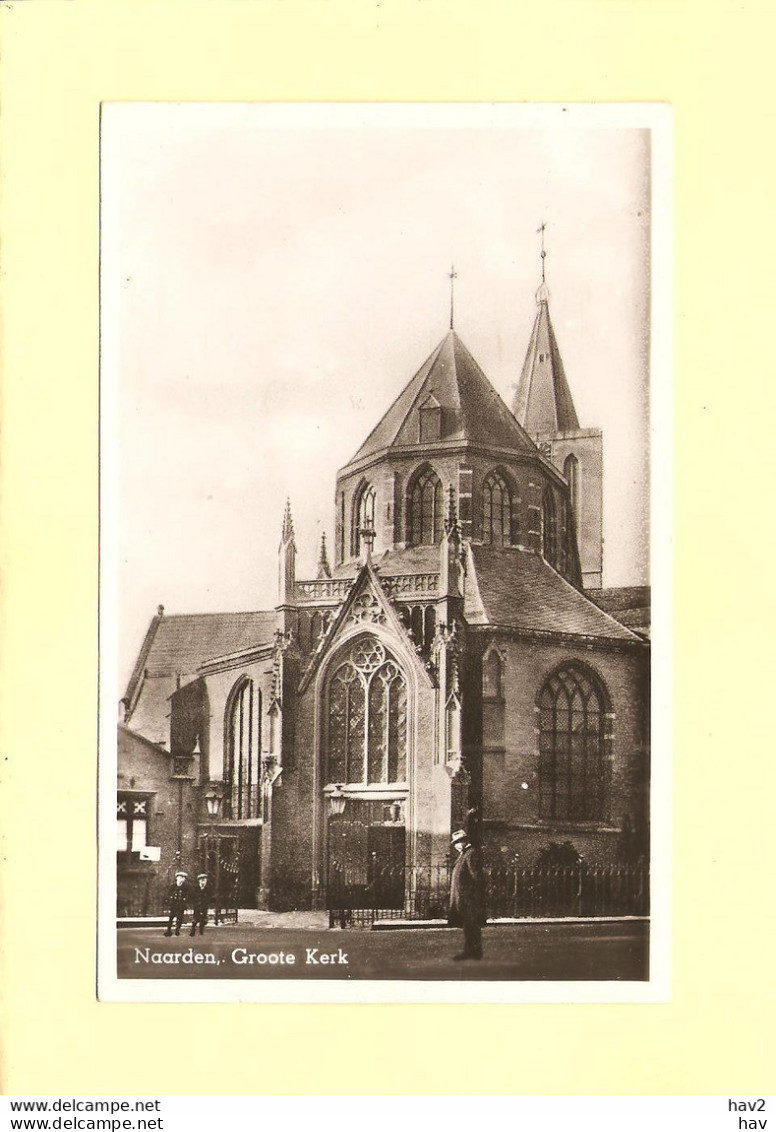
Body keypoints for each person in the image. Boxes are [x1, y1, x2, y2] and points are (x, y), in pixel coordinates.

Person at [448, 829, 487, 960]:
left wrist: (477, 895)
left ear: (466, 841)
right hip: (463, 895)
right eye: (455, 843)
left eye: (459, 842)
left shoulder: (471, 853)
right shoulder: (465, 853)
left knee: (471, 923)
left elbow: (476, 875)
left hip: (469, 896)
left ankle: (474, 951)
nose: (457, 845)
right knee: (468, 924)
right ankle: (471, 950)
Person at [164, 869, 189, 937]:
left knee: (180, 918)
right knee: (171, 917)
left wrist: (185, 900)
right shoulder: (173, 886)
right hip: (174, 904)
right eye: (181, 877)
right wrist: (169, 900)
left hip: (181, 904)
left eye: (183, 878)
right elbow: (169, 894)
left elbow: (188, 895)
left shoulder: (186, 887)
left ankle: (177, 930)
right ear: (177, 878)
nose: (182, 879)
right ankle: (168, 930)